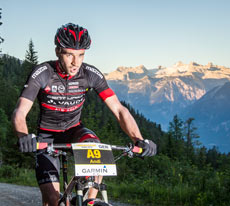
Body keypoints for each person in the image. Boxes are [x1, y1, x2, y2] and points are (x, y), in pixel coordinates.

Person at [12, 23, 157, 206]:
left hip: (75, 130)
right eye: (69, 54)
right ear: (57, 51)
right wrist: (24, 136)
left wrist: (139, 139)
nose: (75, 62)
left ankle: (89, 200)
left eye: (81, 55)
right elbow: (20, 112)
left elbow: (119, 110)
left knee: (95, 147)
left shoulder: (90, 74)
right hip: (46, 136)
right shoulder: (43, 73)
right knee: (52, 199)